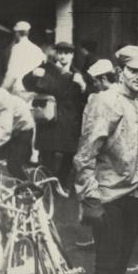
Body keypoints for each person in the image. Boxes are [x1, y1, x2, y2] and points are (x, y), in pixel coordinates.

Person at [74, 45, 138, 274]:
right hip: (108, 197)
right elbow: (85, 154)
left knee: (121, 266)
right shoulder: (105, 101)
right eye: (133, 71)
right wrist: (90, 198)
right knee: (106, 268)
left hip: (135, 198)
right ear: (121, 72)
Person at [23, 41, 87, 196]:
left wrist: (83, 85)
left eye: (66, 53)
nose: (63, 56)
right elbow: (26, 83)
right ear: (56, 54)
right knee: (47, 152)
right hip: (49, 116)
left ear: (72, 55)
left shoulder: (77, 74)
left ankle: (62, 182)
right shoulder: (46, 68)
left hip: (70, 118)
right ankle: (48, 185)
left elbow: (86, 96)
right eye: (60, 53)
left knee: (69, 153)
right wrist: (33, 75)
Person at [74, 59, 119, 249]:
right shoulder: (120, 95)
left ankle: (104, 242)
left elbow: (91, 134)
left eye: (95, 81)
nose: (95, 85)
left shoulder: (102, 99)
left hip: (103, 156)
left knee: (99, 200)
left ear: (103, 79)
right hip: (118, 159)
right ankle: (103, 241)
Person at [0, 85, 36, 179]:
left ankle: (28, 189)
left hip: (23, 130)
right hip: (10, 128)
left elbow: (5, 129)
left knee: (13, 165)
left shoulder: (2, 98)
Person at [1, 21, 46, 100]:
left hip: (20, 93)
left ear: (17, 34)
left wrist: (2, 91)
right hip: (34, 94)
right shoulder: (38, 50)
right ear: (27, 33)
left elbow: (12, 73)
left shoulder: (17, 48)